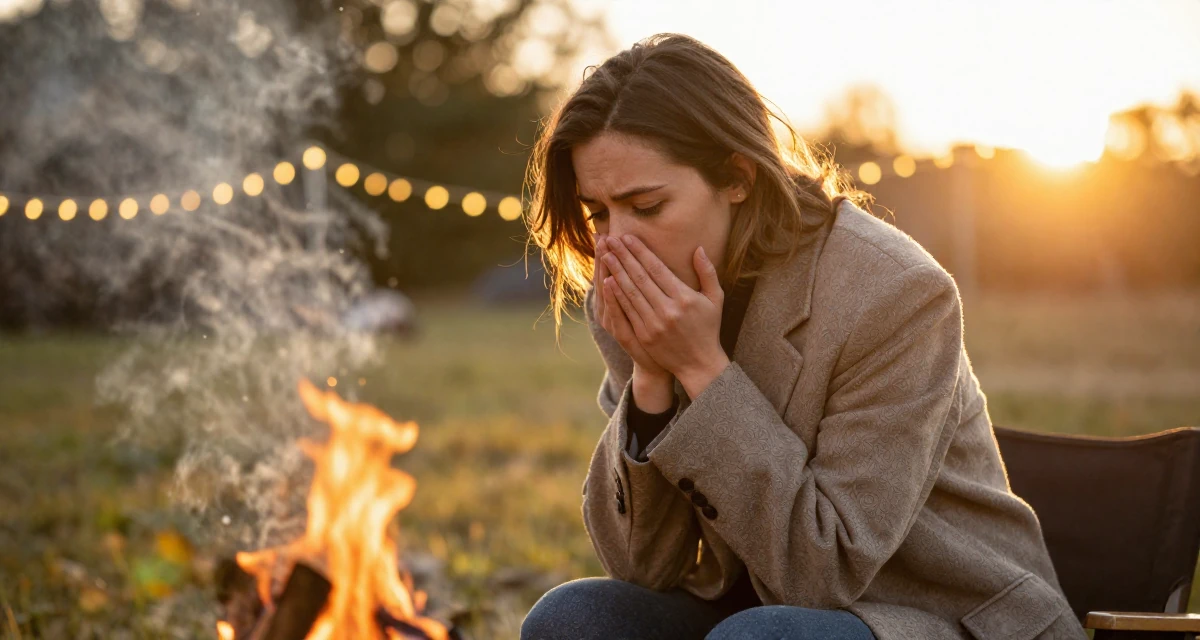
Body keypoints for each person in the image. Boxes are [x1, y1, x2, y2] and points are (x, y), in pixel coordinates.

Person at [519, 33, 1087, 640]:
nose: (615, 246)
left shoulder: (895, 294)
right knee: (572, 620)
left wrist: (703, 370)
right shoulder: (635, 297)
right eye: (598, 214)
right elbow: (640, 566)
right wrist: (652, 380)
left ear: (737, 177)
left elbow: (823, 574)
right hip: (755, 607)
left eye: (647, 206)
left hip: (934, 614)